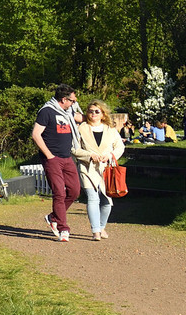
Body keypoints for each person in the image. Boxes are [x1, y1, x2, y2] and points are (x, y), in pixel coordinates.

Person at [32, 84, 81, 243]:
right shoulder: (46, 111)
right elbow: (36, 134)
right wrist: (49, 156)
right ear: (64, 100)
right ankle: (63, 228)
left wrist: (100, 115)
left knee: (74, 191)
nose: (74, 103)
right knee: (59, 192)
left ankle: (53, 217)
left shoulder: (68, 112)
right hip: (52, 158)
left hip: (67, 157)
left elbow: (81, 117)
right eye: (72, 100)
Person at [74, 101, 124, 240]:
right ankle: (95, 231)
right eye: (91, 111)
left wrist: (110, 155)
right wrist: (89, 155)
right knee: (93, 198)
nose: (93, 114)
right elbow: (74, 148)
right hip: (87, 168)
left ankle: (101, 227)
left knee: (107, 201)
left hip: (106, 169)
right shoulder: (81, 128)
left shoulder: (110, 130)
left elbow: (120, 147)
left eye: (97, 111)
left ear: (103, 114)